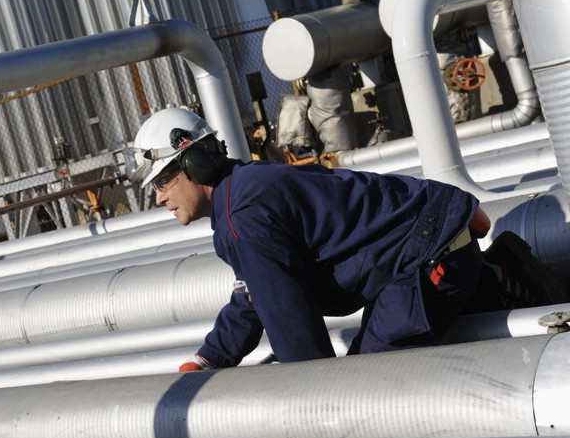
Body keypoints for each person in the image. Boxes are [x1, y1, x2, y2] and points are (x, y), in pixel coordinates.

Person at [129, 107, 565, 371]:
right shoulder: (242, 190)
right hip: (428, 245)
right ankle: (491, 280)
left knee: (369, 380)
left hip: (426, 257)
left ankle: (496, 283)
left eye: (164, 181)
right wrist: (212, 356)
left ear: (197, 162)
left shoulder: (243, 214)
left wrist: (318, 394)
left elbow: (290, 318)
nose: (160, 197)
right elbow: (254, 293)